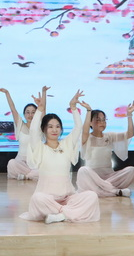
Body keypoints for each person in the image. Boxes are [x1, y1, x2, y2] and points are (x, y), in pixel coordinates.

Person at [21, 86, 100, 224]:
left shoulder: (66, 145)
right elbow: (33, 131)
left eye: (57, 126)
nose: (54, 130)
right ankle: (67, 213)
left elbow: (78, 128)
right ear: (44, 129)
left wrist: (73, 108)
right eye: (50, 126)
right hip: (47, 199)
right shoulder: (39, 147)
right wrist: (39, 110)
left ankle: (60, 215)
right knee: (37, 199)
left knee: (91, 196)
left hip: (68, 198)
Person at [77, 101, 134, 197]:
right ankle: (115, 191)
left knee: (132, 170)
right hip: (92, 177)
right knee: (83, 170)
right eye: (98, 120)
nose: (102, 123)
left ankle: (102, 189)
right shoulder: (86, 137)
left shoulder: (110, 136)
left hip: (110, 177)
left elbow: (130, 134)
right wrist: (88, 110)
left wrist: (129, 115)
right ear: (90, 123)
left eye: (104, 120)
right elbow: (85, 130)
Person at [0, 88, 40, 181]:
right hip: (20, 163)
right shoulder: (20, 125)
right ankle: (32, 175)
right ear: (24, 114)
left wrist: (41, 104)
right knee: (12, 163)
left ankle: (26, 176)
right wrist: (7, 93)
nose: (30, 115)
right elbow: (13, 109)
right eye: (28, 112)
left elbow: (43, 113)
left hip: (35, 163)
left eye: (33, 112)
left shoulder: (39, 127)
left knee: (44, 168)